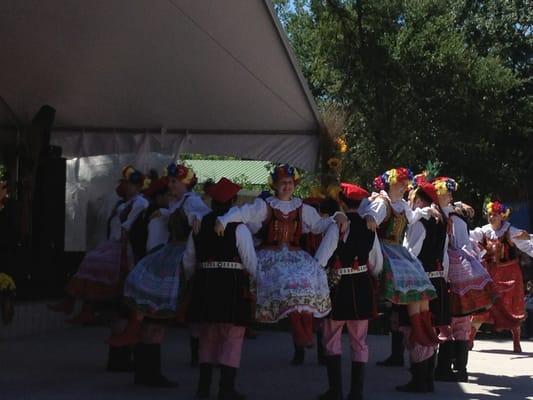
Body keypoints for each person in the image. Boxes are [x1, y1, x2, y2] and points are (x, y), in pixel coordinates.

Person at [214, 164, 348, 365]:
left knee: (306, 280)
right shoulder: (265, 206)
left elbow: (320, 225)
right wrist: (223, 220)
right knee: (286, 283)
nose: (287, 186)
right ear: (275, 185)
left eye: (290, 183)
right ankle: (300, 334)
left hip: (295, 256)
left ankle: (304, 335)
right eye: (283, 183)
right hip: (271, 255)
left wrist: (337, 216)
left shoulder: (302, 208)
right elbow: (243, 213)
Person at [108, 163, 209, 385]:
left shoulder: (191, 201)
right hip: (170, 254)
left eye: (175, 182)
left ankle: (147, 371)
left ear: (186, 183)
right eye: (170, 181)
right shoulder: (175, 202)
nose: (171, 185)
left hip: (181, 255)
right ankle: (147, 372)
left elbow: (201, 221)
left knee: (159, 314)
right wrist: (164, 213)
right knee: (155, 315)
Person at [184, 177, 257, 400]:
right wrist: (254, 282)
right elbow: (250, 261)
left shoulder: (198, 225)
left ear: (211, 201)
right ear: (234, 201)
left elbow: (189, 259)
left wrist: (192, 281)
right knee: (232, 335)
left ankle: (203, 387)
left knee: (208, 334)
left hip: (205, 281)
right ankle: (226, 388)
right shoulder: (238, 228)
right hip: (231, 283)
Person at [319, 183, 383, 400]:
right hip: (362, 285)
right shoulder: (370, 226)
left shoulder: (337, 225)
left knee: (331, 336)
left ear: (342, 202)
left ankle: (335, 391)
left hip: (339, 286)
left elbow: (322, 258)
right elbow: (377, 261)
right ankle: (356, 393)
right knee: (359, 340)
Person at [364, 168, 439, 347]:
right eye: (400, 184)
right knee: (413, 285)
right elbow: (369, 216)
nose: (404, 188)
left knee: (421, 286)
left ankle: (425, 327)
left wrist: (426, 210)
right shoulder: (383, 203)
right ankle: (419, 331)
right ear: (390, 183)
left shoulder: (404, 204)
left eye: (405, 185)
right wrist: (369, 217)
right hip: (385, 249)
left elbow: (412, 218)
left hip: (399, 250)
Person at [432, 177, 494, 383]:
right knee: (458, 321)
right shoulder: (452, 215)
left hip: (452, 272)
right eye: (444, 192)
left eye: (448, 193)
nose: (447, 196)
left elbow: (457, 245)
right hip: (462, 270)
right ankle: (459, 369)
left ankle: (446, 368)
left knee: (449, 321)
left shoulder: (449, 217)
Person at [396, 179, 449, 393]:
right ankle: (427, 379)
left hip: (417, 279)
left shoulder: (420, 222)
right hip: (435, 278)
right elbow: (444, 255)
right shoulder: (442, 221)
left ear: (419, 199)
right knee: (428, 326)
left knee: (415, 328)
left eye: (411, 198)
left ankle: (420, 380)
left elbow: (410, 253)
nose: (410, 201)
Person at [469, 200, 533, 353]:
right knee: (484, 305)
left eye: (495, 215)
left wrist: (527, 237)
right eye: (490, 214)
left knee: (512, 307)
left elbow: (526, 244)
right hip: (490, 273)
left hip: (511, 273)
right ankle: (470, 338)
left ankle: (516, 341)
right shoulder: (483, 231)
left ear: (502, 216)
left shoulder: (510, 231)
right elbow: (467, 239)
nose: (491, 217)